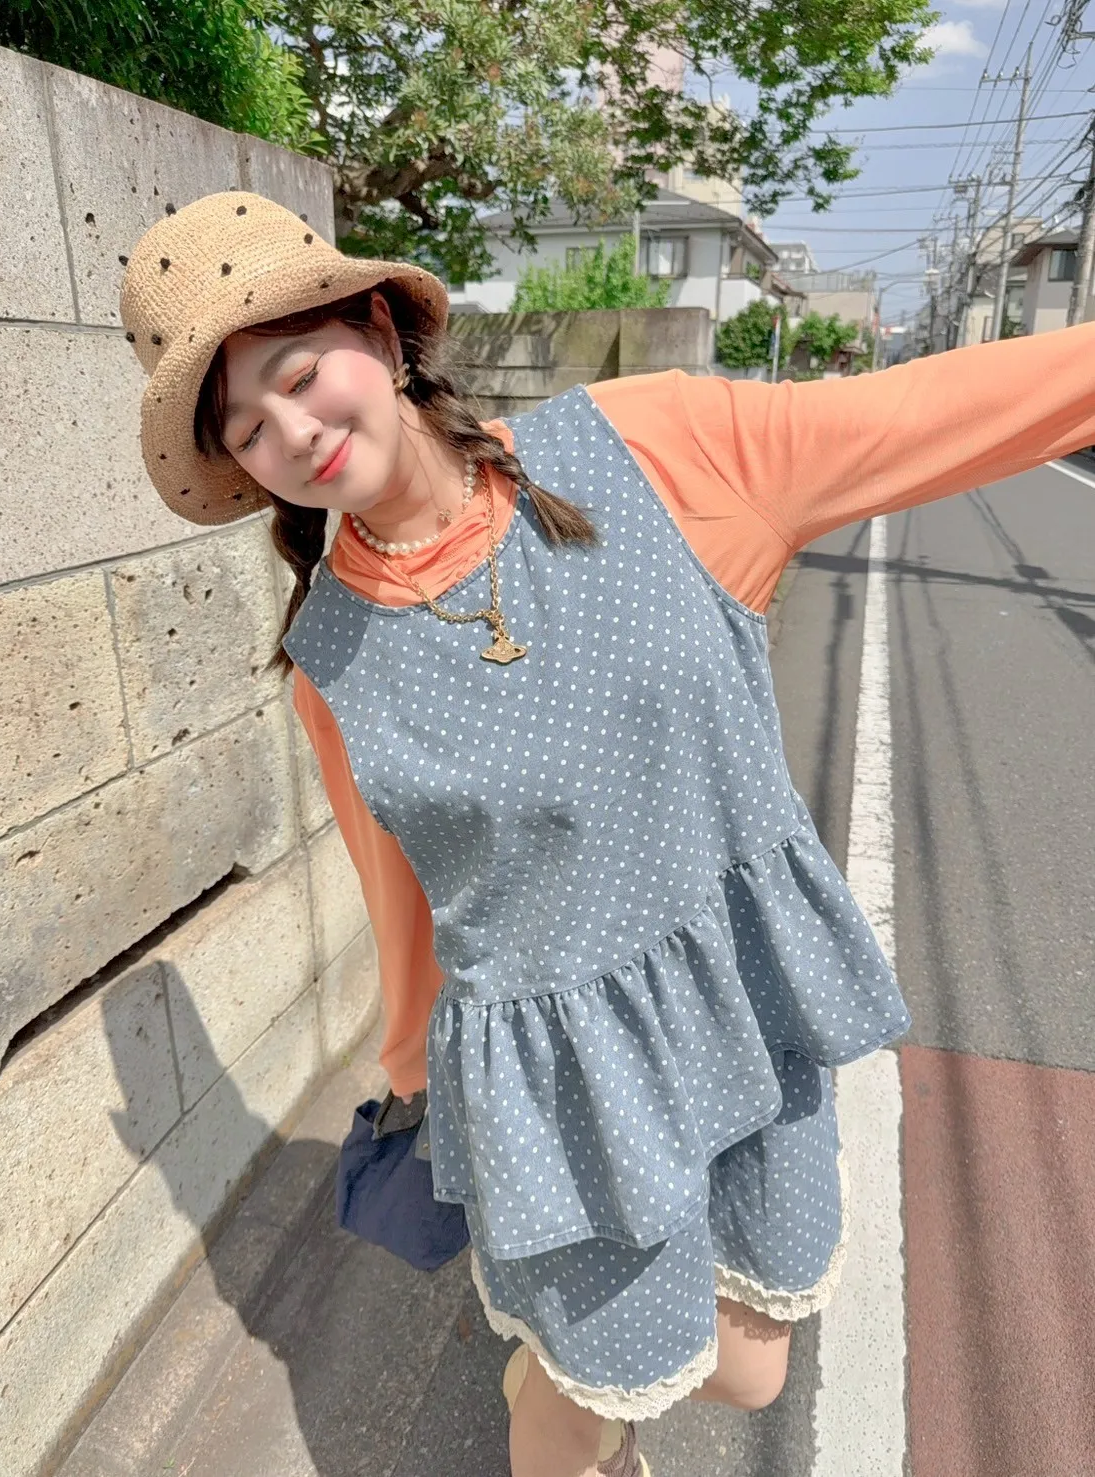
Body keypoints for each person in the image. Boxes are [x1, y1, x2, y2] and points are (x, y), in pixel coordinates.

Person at [121, 192, 1095, 1477]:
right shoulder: (332, 660)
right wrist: (415, 1075)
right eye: (247, 429)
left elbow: (926, 410)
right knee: (593, 1399)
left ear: (381, 334)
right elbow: (404, 892)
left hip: (743, 1001)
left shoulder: (657, 449)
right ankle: (568, 1397)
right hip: (553, 1078)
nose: (291, 433)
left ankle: (552, 1364)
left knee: (746, 1368)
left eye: (299, 376)